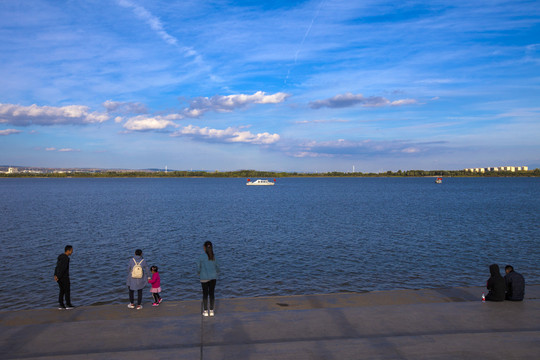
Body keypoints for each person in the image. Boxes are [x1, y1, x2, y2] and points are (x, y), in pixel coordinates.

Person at [197, 241, 220, 317]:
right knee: (212, 294)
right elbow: (218, 267)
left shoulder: (201, 257)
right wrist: (217, 272)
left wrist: (199, 273)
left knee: (205, 294)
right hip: (213, 277)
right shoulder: (214, 256)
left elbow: (198, 268)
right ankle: (212, 310)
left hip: (204, 277)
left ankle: (206, 311)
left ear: (204, 248)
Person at [54, 245, 75, 310]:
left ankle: (61, 305)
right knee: (67, 290)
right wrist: (59, 276)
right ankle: (68, 304)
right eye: (71, 250)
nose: (72, 252)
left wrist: (55, 275)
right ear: (68, 251)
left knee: (62, 291)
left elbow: (57, 267)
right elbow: (63, 268)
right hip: (64, 277)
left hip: (58, 277)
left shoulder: (60, 257)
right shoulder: (66, 258)